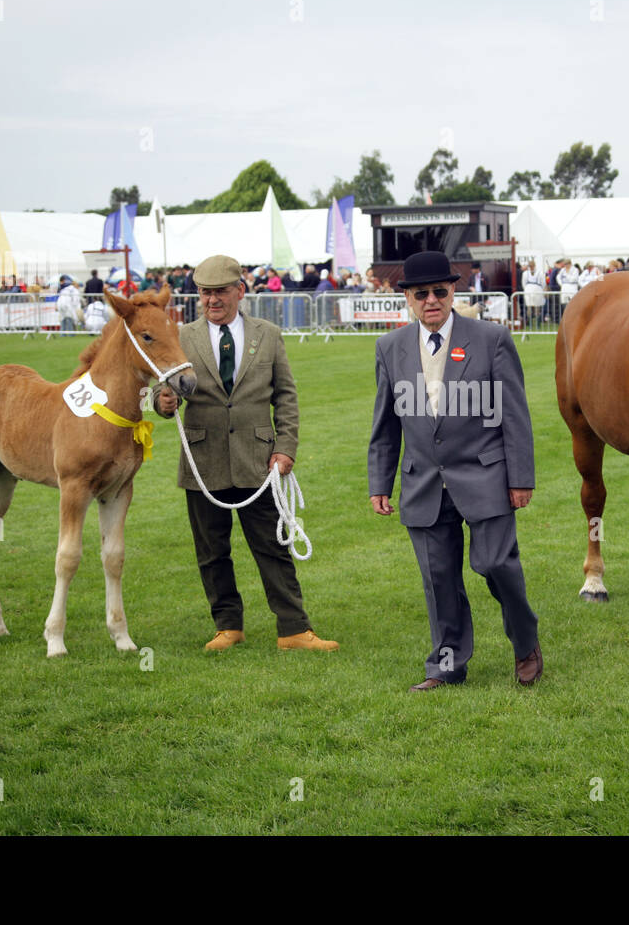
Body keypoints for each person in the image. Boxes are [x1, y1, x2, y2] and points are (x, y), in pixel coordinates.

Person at [367, 250, 541, 691]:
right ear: (406, 297)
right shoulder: (389, 348)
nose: (431, 300)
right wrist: (379, 482)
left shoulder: (491, 339)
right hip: (422, 482)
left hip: (487, 477)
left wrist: (520, 479)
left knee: (497, 565)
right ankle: (446, 665)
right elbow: (385, 423)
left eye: (439, 292)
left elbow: (514, 416)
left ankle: (525, 644)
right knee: (439, 579)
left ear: (453, 291)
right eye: (421, 293)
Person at [154, 255, 337, 653]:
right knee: (211, 551)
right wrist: (163, 402)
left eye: (220, 292)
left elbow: (286, 396)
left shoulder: (267, 334)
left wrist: (285, 447)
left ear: (240, 291)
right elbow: (160, 390)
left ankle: (293, 629)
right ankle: (227, 626)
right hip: (203, 463)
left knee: (273, 547)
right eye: (205, 293)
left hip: (259, 461)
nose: (212, 300)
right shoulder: (182, 336)